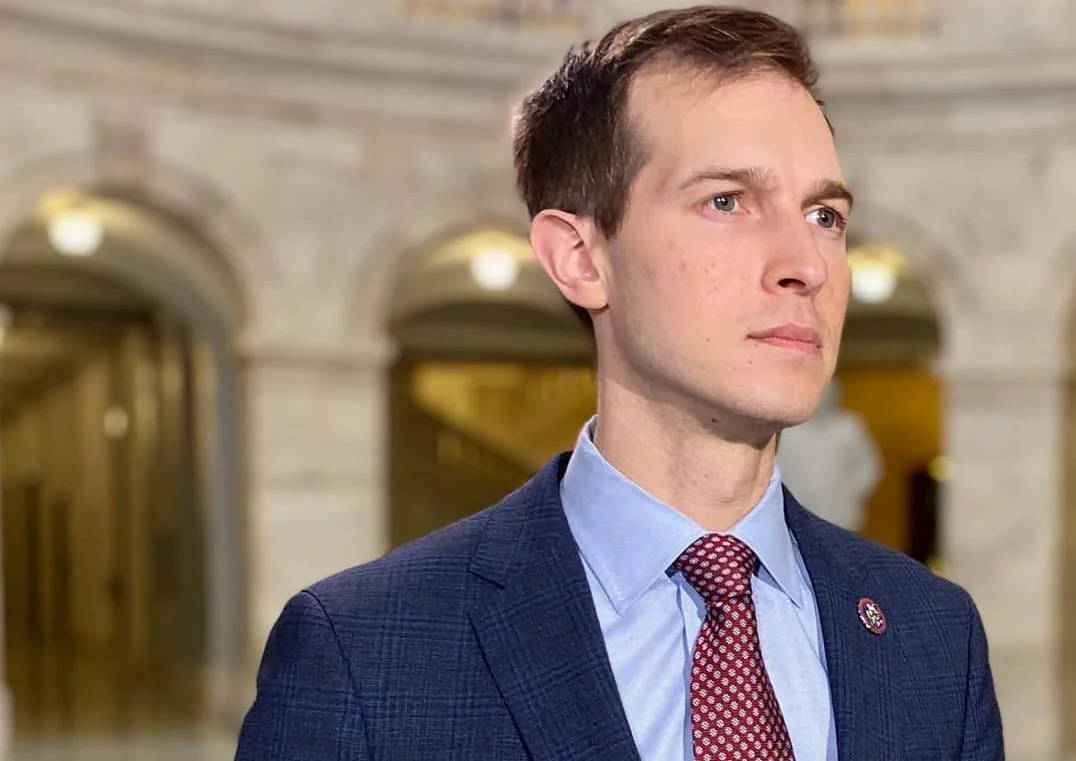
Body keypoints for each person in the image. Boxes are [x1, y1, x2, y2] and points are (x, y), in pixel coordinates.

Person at [235, 6, 1004, 760]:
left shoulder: (935, 634)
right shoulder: (363, 651)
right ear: (580, 256)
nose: (805, 263)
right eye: (726, 201)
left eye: (825, 215)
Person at [776, 379, 883, 532]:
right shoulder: (789, 430)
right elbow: (778, 466)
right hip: (798, 505)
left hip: (839, 508)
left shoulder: (850, 426)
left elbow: (868, 465)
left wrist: (851, 492)